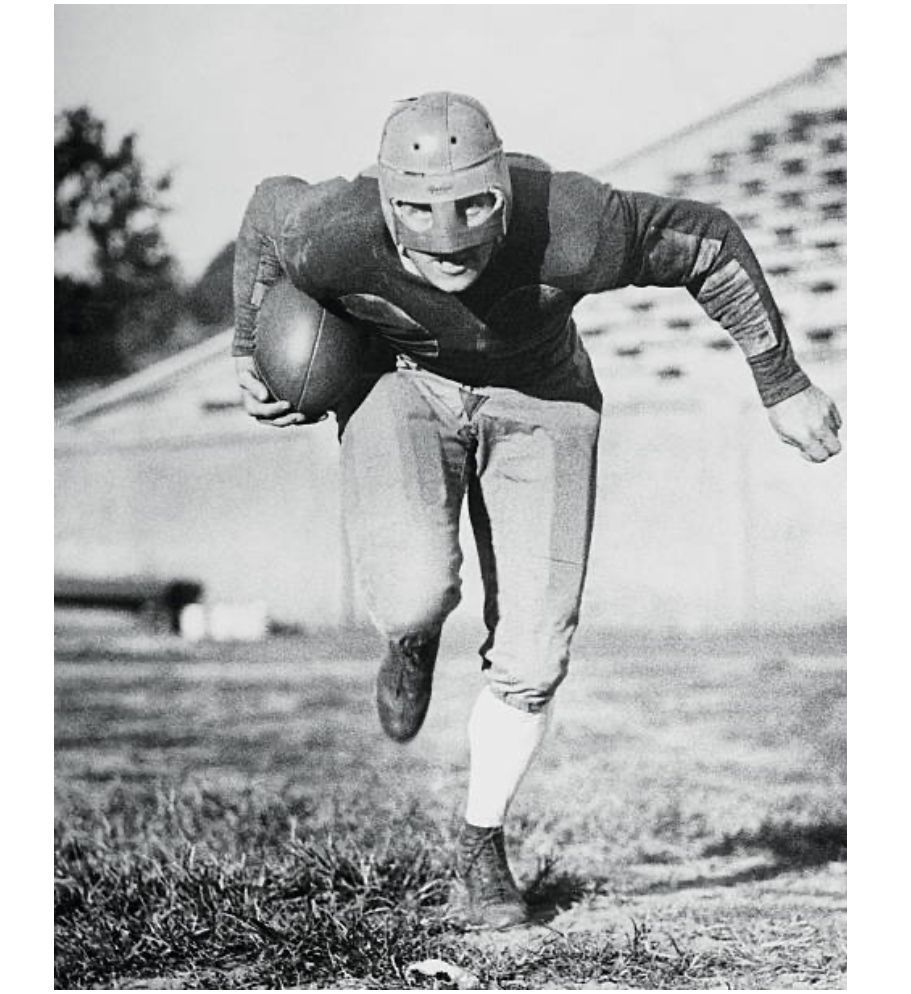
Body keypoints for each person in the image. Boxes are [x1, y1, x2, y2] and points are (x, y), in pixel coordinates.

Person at [232, 92, 842, 929]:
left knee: (535, 648)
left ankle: (481, 846)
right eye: (420, 217)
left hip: (543, 394)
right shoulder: (328, 230)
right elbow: (268, 205)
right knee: (411, 591)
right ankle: (410, 639)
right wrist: (246, 349)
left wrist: (782, 382)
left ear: (505, 197)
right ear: (382, 203)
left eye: (473, 213)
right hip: (400, 384)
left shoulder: (576, 220)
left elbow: (707, 240)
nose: (450, 247)